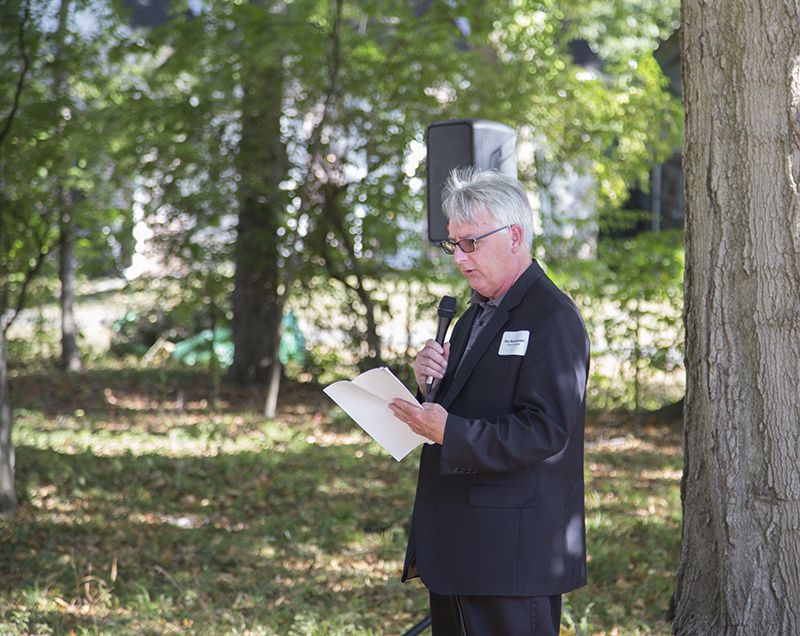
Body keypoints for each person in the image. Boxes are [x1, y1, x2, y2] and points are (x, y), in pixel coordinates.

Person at [389, 167, 590, 636]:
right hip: (460, 547)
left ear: (514, 235)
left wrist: (449, 432)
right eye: (452, 245)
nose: (459, 258)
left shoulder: (552, 318)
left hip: (511, 557)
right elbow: (471, 405)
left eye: (470, 243)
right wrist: (428, 389)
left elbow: (546, 430)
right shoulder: (472, 315)